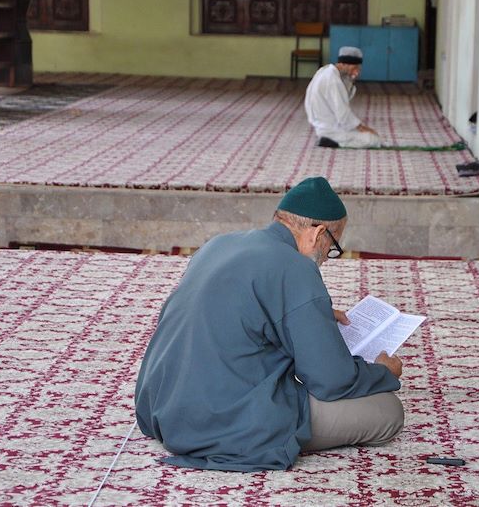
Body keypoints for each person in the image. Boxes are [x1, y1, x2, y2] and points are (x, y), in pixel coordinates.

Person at [134, 177, 404, 471]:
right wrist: (382, 373)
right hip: (223, 422)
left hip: (163, 408)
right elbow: (331, 382)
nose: (327, 257)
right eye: (333, 247)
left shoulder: (219, 244)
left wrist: (314, 315)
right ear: (319, 233)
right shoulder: (296, 268)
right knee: (387, 411)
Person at [304, 46, 382, 148]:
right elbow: (342, 112)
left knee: (363, 133)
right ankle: (333, 142)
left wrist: (351, 79)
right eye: (354, 68)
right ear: (344, 64)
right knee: (373, 139)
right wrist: (361, 127)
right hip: (330, 128)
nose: (356, 71)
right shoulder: (333, 80)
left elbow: (345, 98)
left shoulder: (325, 71)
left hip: (323, 125)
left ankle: (330, 139)